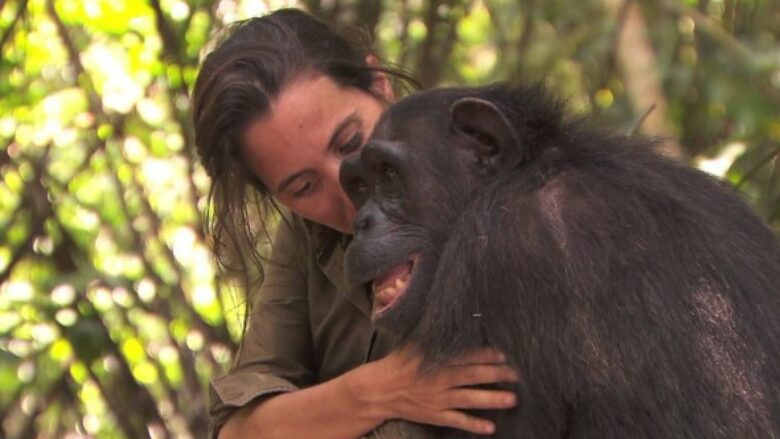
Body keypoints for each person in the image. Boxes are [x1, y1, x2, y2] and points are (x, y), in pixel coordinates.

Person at [192, 9, 519, 439]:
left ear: (380, 85)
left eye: (351, 142)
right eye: (305, 186)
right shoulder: (306, 236)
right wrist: (384, 389)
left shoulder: (488, 168)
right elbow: (239, 431)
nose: (350, 189)